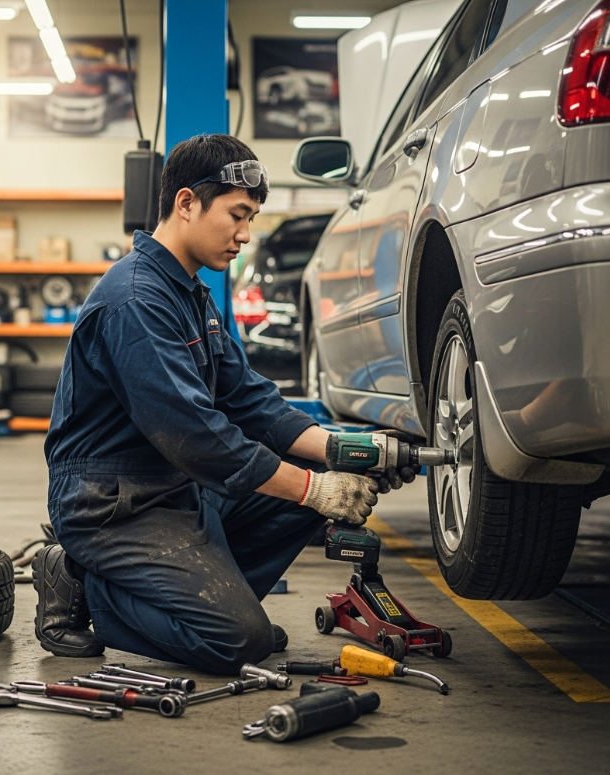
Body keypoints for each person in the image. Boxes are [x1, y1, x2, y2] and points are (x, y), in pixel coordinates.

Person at [32, 134, 413, 675]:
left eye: (251, 217)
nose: (245, 234)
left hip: (174, 487)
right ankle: (84, 584)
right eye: (237, 215)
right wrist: (316, 489)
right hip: (114, 505)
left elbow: (249, 399)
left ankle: (207, 605)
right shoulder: (136, 301)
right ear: (186, 203)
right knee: (239, 642)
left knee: (309, 471)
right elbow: (197, 435)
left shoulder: (189, 292)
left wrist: (344, 450)